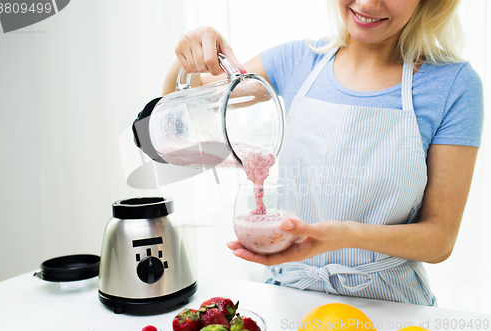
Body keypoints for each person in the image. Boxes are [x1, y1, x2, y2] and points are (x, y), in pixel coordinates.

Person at [163, 0, 484, 306]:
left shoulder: (454, 85)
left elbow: (439, 238)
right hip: (288, 297)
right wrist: (190, 55)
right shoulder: (297, 61)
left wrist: (344, 235)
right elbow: (181, 109)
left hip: (392, 305)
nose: (368, 4)